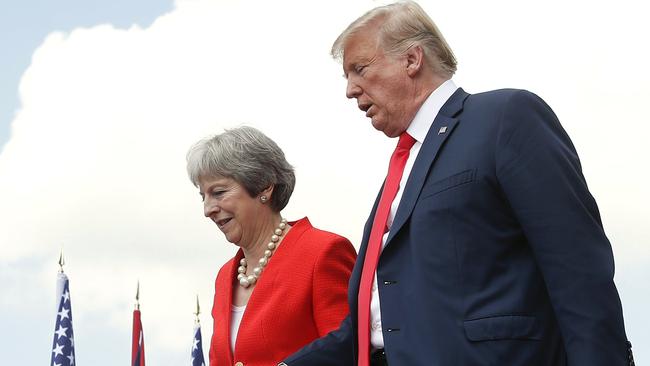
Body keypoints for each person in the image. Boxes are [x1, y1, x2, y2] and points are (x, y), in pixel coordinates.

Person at [282, 1, 634, 365]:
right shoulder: (400, 169)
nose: (350, 90)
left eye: (359, 69)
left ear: (412, 59)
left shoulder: (506, 118)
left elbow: (577, 269)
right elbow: (369, 326)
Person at [186, 126, 356, 366]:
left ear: (264, 186)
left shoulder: (323, 252)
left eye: (219, 192)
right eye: (203, 196)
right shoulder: (225, 276)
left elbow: (347, 352)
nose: (208, 209)